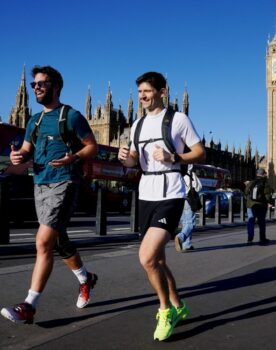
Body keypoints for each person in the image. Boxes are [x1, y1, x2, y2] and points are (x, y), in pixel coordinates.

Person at [1, 66, 98, 324]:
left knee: (43, 241)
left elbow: (92, 146)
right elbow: (25, 152)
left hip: (64, 182)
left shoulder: (72, 116)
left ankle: (29, 306)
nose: (36, 88)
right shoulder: (35, 120)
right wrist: (16, 156)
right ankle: (85, 278)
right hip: (40, 183)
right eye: (34, 84)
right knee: (58, 241)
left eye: (41, 83)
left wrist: (74, 157)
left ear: (56, 87)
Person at [118, 72, 205, 341]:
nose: (143, 96)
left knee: (146, 258)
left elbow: (200, 152)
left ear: (162, 92)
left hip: (171, 193)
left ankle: (165, 310)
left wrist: (173, 156)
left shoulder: (178, 119)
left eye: (147, 91)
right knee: (158, 260)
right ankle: (179, 305)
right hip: (146, 193)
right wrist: (125, 159)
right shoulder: (137, 126)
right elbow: (134, 161)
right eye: (139, 92)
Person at [175, 166, 202, 252]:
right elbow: (199, 187)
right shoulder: (190, 174)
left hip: (180, 199)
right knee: (191, 223)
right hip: (189, 200)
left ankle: (186, 244)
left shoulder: (178, 174)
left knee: (185, 222)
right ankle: (180, 237)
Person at [245, 168, 272, 245]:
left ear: (257, 174)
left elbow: (246, 192)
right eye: (265, 173)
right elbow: (267, 196)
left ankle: (250, 239)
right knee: (261, 222)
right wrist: (269, 202)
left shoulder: (251, 182)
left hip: (250, 205)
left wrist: (249, 200)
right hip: (261, 205)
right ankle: (262, 239)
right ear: (263, 174)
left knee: (251, 221)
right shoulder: (265, 183)